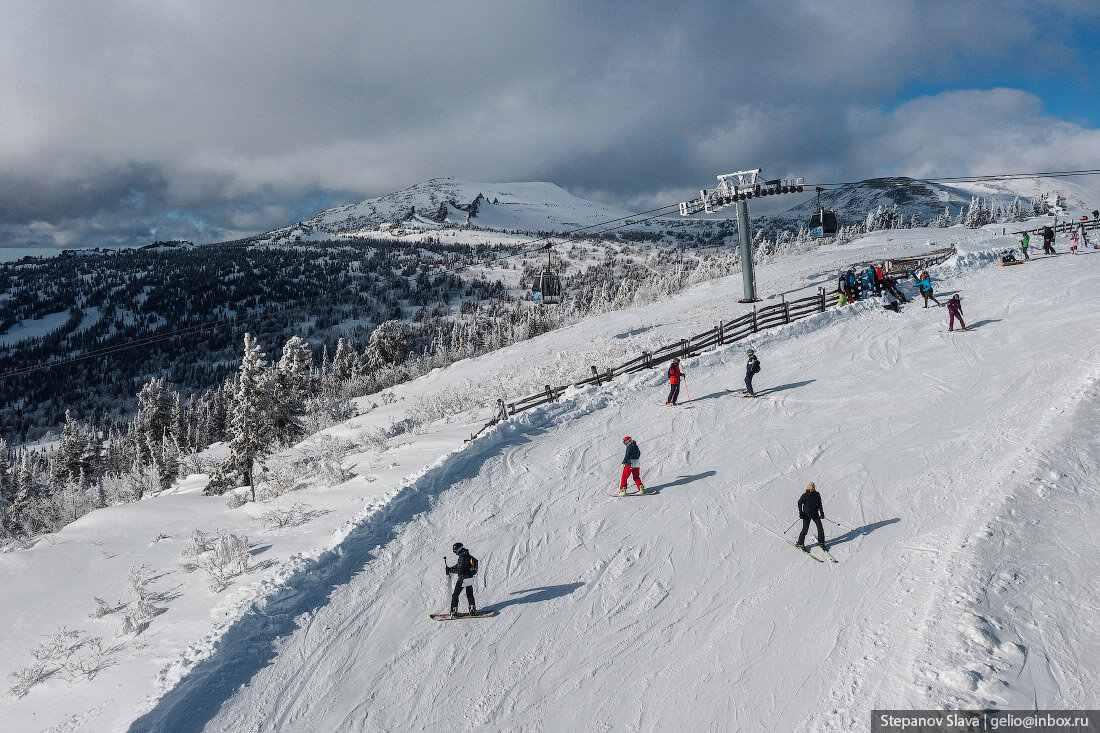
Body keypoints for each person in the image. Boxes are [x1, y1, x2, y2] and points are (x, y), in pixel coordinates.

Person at [446, 542, 479, 616]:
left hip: (462, 578)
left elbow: (459, 570)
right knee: (469, 594)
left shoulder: (462, 557)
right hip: (469, 577)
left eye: (455, 551)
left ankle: (454, 611)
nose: (455, 553)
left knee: (455, 595)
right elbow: (459, 566)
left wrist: (450, 570)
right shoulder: (466, 555)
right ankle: (472, 609)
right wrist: (451, 568)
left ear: (459, 549)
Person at [796, 482, 826, 551]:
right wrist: (801, 513)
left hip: (815, 514)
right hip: (807, 515)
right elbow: (799, 503)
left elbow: (820, 504)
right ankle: (800, 543)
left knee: (820, 528)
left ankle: (821, 542)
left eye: (812, 489)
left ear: (814, 488)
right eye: (809, 489)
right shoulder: (805, 495)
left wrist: (821, 513)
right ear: (807, 488)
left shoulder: (817, 495)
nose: (810, 490)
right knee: (805, 529)